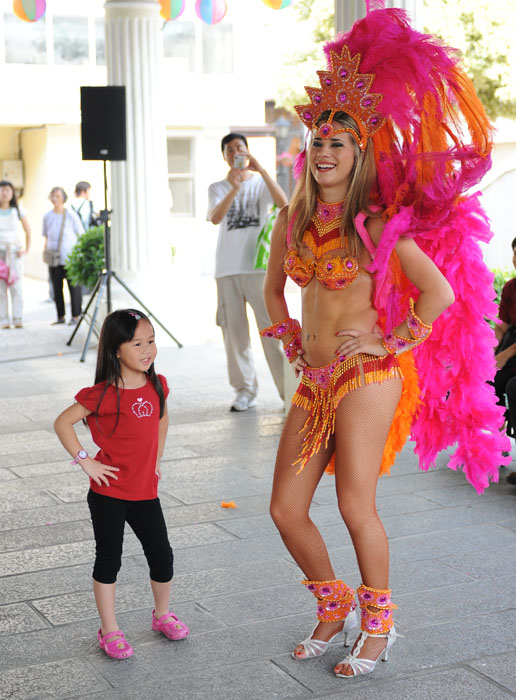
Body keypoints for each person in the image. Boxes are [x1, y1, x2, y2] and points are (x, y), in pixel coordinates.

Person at [261, 2, 508, 680]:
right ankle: (332, 603)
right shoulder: (294, 218)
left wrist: (391, 341)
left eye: (338, 142)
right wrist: (285, 332)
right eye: (317, 140)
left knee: (352, 503)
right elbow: (271, 288)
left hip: (367, 377)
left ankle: (379, 625)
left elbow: (441, 294)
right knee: (285, 509)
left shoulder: (375, 224)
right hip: (312, 379)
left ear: (360, 153)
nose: (324, 150)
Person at [54, 308, 189, 659]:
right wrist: (87, 462)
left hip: (146, 492)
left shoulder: (158, 385)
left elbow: (161, 418)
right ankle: (109, 630)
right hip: (108, 494)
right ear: (116, 349)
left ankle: (162, 615)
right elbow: (63, 423)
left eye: (151, 342)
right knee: (108, 560)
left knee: (162, 556)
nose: (147, 350)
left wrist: (156, 459)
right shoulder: (102, 393)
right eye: (137, 344)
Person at [207, 133, 288, 411]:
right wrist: (233, 187)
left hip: (258, 269)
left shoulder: (261, 183)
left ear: (248, 152)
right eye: (229, 150)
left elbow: (283, 205)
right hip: (227, 270)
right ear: (224, 156)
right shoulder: (217, 187)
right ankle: (244, 391)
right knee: (235, 335)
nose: (235, 153)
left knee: (272, 332)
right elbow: (216, 218)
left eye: (239, 148)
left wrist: (262, 169)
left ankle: (287, 392)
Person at [493, 237, 516, 485]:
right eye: (515, 254)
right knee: (490, 380)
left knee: (513, 386)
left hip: (512, 352)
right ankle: (498, 440)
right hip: (512, 345)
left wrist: (505, 354)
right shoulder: (511, 288)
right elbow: (504, 326)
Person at [43, 186, 83, 325]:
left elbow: (81, 234)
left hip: (70, 258)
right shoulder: (47, 216)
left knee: (74, 288)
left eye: (57, 196)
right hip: (53, 259)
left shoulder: (71, 214)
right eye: (52, 195)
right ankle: (60, 316)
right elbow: (46, 236)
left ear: (63, 198)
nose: (54, 198)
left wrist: (79, 255)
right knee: (57, 288)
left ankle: (76, 316)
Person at [0, 180, 31, 329]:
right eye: (1, 190)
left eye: (7, 190)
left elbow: (28, 230)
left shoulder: (18, 209)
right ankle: (3, 319)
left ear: (12, 193)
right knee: (0, 288)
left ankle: (18, 318)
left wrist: (26, 249)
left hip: (14, 252)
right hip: (0, 253)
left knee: (16, 287)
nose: (4, 193)